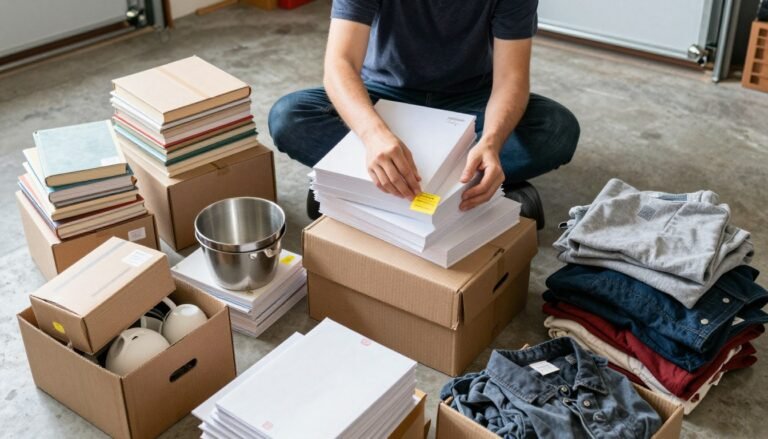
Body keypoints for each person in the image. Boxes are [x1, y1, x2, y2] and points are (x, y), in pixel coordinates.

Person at [268, 0, 580, 229]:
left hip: (471, 99)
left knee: (556, 129)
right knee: (289, 117)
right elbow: (340, 65)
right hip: (385, 92)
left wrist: (492, 142)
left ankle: (362, 182)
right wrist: (373, 135)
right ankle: (465, 185)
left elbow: (511, 79)